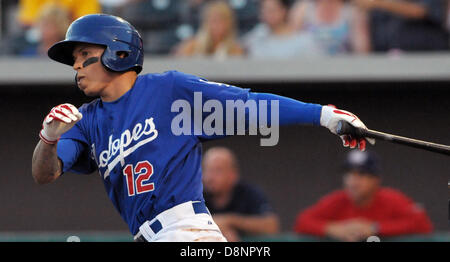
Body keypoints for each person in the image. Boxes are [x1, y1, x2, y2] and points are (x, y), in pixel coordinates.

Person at [31, 13, 374, 242]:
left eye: (84, 53)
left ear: (118, 53)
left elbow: (250, 106)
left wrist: (324, 115)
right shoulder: (84, 119)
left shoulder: (167, 90)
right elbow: (44, 174)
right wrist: (48, 138)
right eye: (74, 58)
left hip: (186, 232)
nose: (76, 65)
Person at [294, 150, 433, 242]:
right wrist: (333, 229)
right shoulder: (338, 200)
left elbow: (422, 224)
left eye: (361, 174)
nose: (353, 180)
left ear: (376, 179)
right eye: (349, 173)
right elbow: (302, 221)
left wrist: (375, 228)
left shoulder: (391, 199)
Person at [202, 147, 280, 242]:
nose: (210, 177)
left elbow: (272, 226)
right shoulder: (194, 195)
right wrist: (215, 227)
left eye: (218, 171)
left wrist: (230, 221)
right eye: (207, 170)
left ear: (233, 175)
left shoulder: (248, 193)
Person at [352, 0, 449, 52]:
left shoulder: (378, 3)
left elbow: (421, 11)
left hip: (428, 61)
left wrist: (379, 3)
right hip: (385, 62)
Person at [243, 0, 322, 58]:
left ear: (284, 11)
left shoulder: (304, 41)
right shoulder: (257, 34)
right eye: (264, 10)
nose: (266, 14)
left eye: (271, 10)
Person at [289, 0, 370, 55]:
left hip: (342, 69)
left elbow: (362, 52)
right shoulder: (302, 9)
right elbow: (291, 45)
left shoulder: (352, 12)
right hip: (308, 68)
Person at [175, 0, 244, 59]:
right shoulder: (191, 46)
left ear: (229, 23)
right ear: (206, 22)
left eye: (221, 21)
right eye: (213, 21)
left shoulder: (235, 49)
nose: (216, 25)